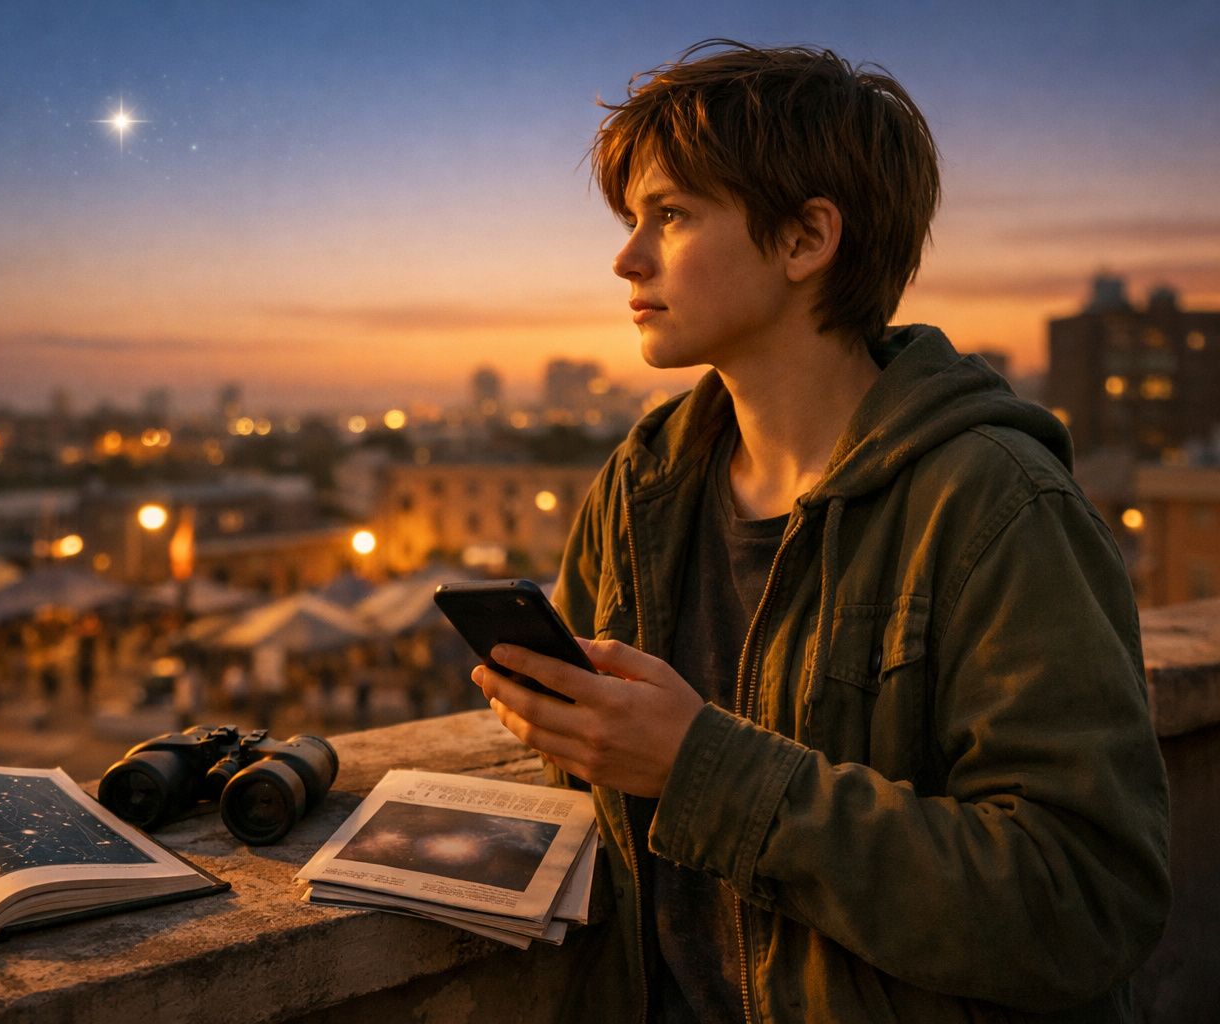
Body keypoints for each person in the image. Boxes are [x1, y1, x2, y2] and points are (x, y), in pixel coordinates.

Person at [471, 40, 1170, 1023]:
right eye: (633, 220)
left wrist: (700, 767)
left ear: (806, 240)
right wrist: (566, 725)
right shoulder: (643, 487)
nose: (626, 257)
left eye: (670, 216)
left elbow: (1083, 902)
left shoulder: (996, 507)